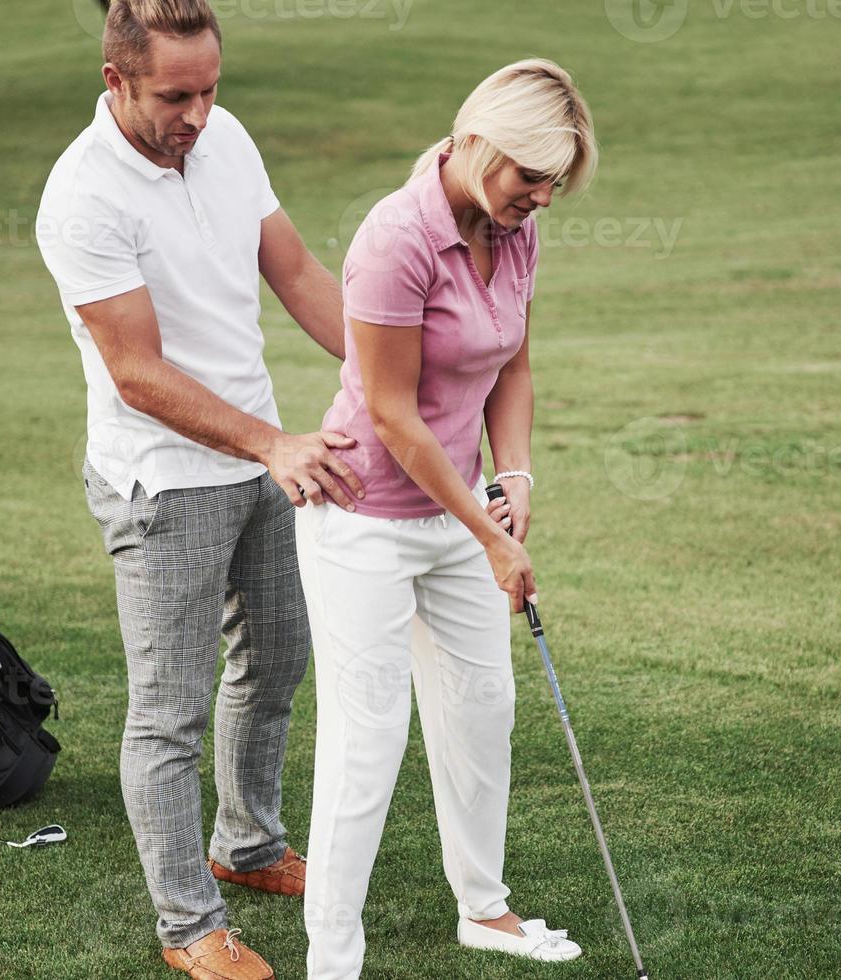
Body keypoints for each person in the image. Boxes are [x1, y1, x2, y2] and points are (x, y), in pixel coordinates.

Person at [35, 2, 365, 978]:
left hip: (258, 454)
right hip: (163, 479)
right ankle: (188, 923)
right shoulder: (82, 195)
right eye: (175, 95)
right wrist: (272, 443)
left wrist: (392, 374)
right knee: (165, 713)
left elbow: (296, 269)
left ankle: (249, 842)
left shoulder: (226, 141)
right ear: (115, 82)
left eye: (211, 88)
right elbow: (135, 370)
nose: (198, 113)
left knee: (273, 662)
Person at [294, 58, 598, 978]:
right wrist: (490, 532)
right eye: (530, 176)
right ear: (477, 144)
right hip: (364, 520)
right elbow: (391, 413)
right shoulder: (394, 238)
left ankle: (485, 909)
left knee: (481, 709)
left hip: (459, 513)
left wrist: (515, 474)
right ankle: (332, 956)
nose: (541, 198)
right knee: (369, 733)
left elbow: (511, 365)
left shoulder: (515, 233)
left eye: (554, 183)